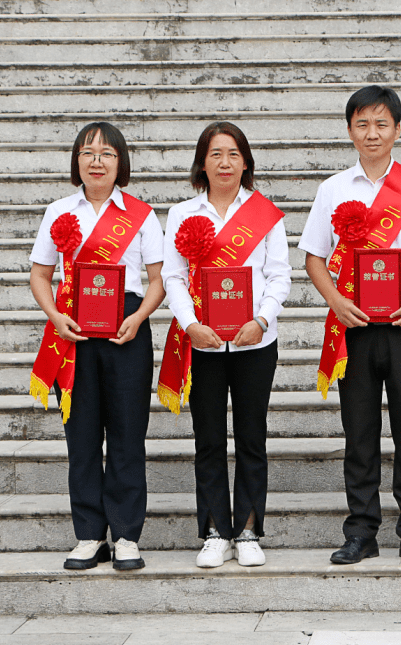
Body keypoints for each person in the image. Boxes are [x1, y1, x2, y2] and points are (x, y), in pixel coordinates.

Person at [299, 85, 401, 565]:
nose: (372, 132)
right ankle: (361, 532)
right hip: (356, 327)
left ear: (398, 130)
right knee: (359, 432)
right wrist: (336, 301)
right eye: (363, 123)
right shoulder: (332, 189)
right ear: (350, 130)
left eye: (381, 123)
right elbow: (313, 258)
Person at [28, 122, 165, 571]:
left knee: (127, 433)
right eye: (88, 153)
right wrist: (56, 318)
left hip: (126, 323)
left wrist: (139, 317)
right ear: (77, 162)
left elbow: (159, 281)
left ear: (120, 162)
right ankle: (89, 534)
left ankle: (126, 535)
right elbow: (40, 276)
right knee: (82, 434)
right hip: (74, 328)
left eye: (107, 153)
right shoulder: (58, 212)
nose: (97, 161)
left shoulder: (142, 215)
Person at [159, 121, 292, 568]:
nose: (225, 162)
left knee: (252, 437)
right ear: (202, 162)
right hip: (204, 344)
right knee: (209, 439)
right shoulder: (182, 214)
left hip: (256, 342)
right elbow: (172, 276)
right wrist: (191, 323)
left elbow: (279, 275)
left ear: (246, 162)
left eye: (233, 154)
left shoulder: (265, 213)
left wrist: (261, 319)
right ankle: (215, 530)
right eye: (216, 153)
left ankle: (250, 528)